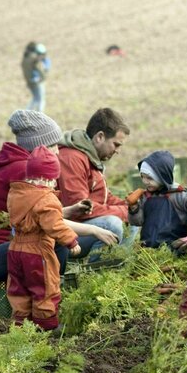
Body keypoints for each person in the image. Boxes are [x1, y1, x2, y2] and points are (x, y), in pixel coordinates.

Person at [0, 110, 116, 283]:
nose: (57, 152)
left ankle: (50, 293)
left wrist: (69, 210)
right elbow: (48, 222)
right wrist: (95, 230)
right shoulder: (24, 170)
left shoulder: (21, 165)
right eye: (53, 145)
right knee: (52, 240)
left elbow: (36, 214)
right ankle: (54, 293)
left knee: (49, 240)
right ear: (39, 147)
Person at [7, 145, 81, 331]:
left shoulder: (16, 193)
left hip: (15, 249)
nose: (55, 184)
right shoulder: (46, 199)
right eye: (54, 179)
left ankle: (20, 327)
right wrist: (70, 240)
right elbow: (54, 224)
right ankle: (46, 326)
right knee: (45, 288)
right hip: (37, 250)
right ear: (45, 178)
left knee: (19, 289)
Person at [57, 108, 130, 260]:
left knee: (135, 220)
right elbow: (80, 208)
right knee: (112, 224)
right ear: (100, 137)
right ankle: (96, 275)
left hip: (78, 228)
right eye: (116, 145)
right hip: (64, 236)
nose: (117, 151)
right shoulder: (72, 158)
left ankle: (118, 266)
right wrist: (123, 212)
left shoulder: (89, 156)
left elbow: (103, 197)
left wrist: (129, 207)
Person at [127, 150, 187, 250]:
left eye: (149, 178)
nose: (145, 181)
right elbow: (137, 222)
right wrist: (134, 208)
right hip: (148, 247)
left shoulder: (177, 195)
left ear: (162, 177)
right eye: (142, 177)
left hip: (173, 245)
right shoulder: (145, 197)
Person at [21, 42, 50, 113]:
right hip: (37, 82)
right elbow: (40, 68)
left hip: (29, 82)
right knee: (40, 100)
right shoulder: (34, 58)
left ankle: (26, 113)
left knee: (34, 99)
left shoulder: (25, 59)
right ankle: (40, 115)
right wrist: (43, 76)